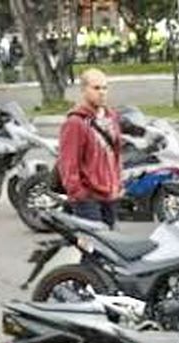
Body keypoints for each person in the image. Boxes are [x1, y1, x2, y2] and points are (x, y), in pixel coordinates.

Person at [57, 68, 122, 228]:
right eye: (96, 88)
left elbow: (117, 154)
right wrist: (79, 194)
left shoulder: (111, 117)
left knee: (109, 250)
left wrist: (118, 183)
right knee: (93, 250)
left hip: (110, 195)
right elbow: (68, 164)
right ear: (84, 90)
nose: (102, 93)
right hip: (88, 199)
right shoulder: (75, 122)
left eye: (105, 88)